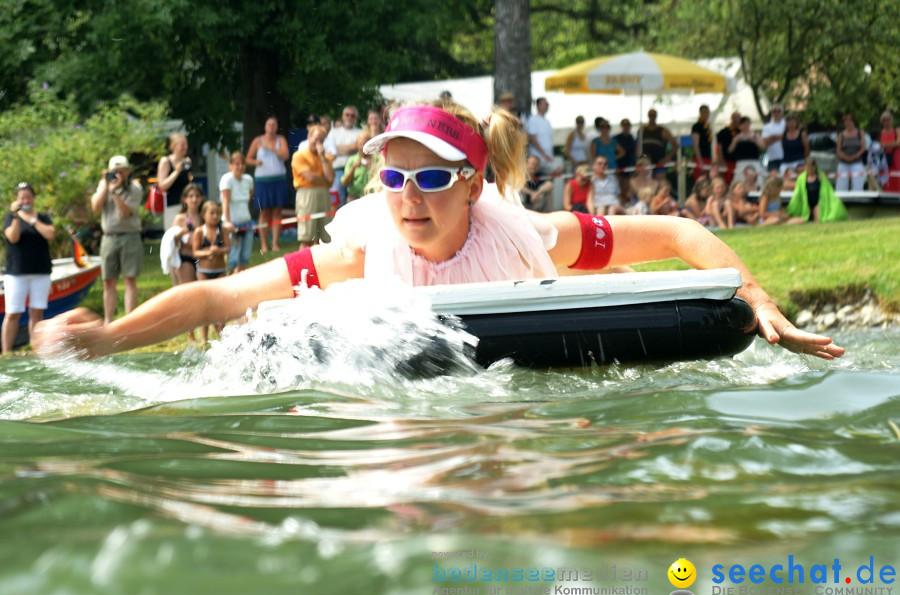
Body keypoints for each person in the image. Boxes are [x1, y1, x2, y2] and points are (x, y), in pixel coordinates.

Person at [34, 100, 843, 363]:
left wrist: (755, 294)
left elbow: (674, 230)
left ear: (473, 182)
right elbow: (217, 293)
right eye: (392, 177)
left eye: (427, 179)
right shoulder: (359, 248)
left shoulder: (531, 234)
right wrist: (106, 337)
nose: (407, 198)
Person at [2, 183, 55, 354]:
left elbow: (50, 234)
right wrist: (17, 216)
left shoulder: (43, 218)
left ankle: (37, 351)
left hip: (40, 272)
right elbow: (13, 237)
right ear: (17, 200)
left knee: (36, 313)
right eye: (22, 197)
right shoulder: (11, 218)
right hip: (17, 273)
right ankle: (6, 352)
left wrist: (31, 219)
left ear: (33, 199)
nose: (25, 200)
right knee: (12, 314)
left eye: (28, 197)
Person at [90, 155, 143, 324]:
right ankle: (108, 322)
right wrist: (107, 186)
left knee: (129, 279)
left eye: (121, 171)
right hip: (109, 238)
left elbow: (125, 213)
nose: (118, 175)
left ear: (128, 172)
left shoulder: (135, 188)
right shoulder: (104, 185)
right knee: (108, 281)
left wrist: (116, 191)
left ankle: (129, 321)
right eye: (114, 171)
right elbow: (95, 208)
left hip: (130, 236)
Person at [247, 116, 290, 253]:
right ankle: (264, 244)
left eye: (274, 124)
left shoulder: (281, 139)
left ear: (277, 127)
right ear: (265, 126)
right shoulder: (257, 141)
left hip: (278, 179)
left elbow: (285, 155)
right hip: (262, 181)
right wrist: (255, 163)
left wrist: (271, 148)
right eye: (269, 124)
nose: (271, 126)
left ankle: (275, 243)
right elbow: (247, 159)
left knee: (278, 210)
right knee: (264, 211)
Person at [192, 200, 230, 344]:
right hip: (204, 271)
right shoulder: (200, 232)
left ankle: (222, 336)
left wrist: (219, 250)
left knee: (220, 304)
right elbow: (195, 252)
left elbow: (228, 248)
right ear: (204, 215)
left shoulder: (223, 230)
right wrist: (207, 253)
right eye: (212, 213)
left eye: (217, 213)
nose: (215, 216)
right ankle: (204, 338)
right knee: (205, 305)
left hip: (219, 270)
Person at [291, 124, 334, 247]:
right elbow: (309, 177)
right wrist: (324, 179)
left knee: (324, 238)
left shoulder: (326, 158)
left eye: (321, 140)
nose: (318, 143)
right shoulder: (299, 155)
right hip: (306, 195)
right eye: (316, 139)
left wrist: (322, 158)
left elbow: (330, 177)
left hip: (324, 195)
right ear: (309, 137)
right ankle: (302, 265)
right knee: (307, 237)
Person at [219, 152, 255, 273]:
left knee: (245, 257)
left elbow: (249, 197)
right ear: (231, 165)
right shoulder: (226, 179)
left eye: (242, 163)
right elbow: (225, 201)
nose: (240, 166)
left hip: (247, 222)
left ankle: (240, 282)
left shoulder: (248, 179)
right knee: (233, 257)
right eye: (236, 164)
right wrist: (228, 222)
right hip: (233, 223)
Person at [786, 157, 848, 224]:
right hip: (806, 205)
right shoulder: (801, 178)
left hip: (818, 204)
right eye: (806, 168)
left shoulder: (821, 176)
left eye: (809, 168)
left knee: (819, 221)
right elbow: (797, 194)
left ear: (814, 167)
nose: (807, 170)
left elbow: (828, 191)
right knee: (802, 220)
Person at [325, 106, 363, 205]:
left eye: (352, 115)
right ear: (343, 116)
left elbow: (357, 147)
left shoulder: (360, 132)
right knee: (339, 201)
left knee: (354, 201)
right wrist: (350, 148)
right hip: (338, 170)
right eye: (347, 115)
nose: (349, 117)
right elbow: (329, 150)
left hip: (356, 170)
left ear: (355, 118)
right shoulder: (334, 132)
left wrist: (337, 148)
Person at [156, 133, 192, 230]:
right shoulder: (166, 161)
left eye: (186, 144)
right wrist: (177, 170)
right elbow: (162, 185)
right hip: (172, 206)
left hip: (187, 206)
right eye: (182, 144)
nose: (185, 147)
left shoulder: (187, 161)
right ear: (173, 146)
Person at [638, 109, 678, 180]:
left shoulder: (663, 130)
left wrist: (667, 158)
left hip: (659, 162)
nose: (652, 117)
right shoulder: (642, 130)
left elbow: (676, 145)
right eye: (650, 115)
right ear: (648, 116)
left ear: (656, 117)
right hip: (645, 162)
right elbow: (638, 147)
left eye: (653, 115)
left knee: (660, 184)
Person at [835, 112, 867, 192]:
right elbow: (838, 151)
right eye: (846, 121)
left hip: (857, 162)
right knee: (841, 186)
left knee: (858, 185)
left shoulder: (860, 133)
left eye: (850, 121)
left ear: (854, 122)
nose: (848, 123)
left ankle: (858, 201)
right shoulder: (841, 135)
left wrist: (855, 156)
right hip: (843, 163)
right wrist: (846, 158)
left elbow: (863, 147)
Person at [526, 97, 558, 175]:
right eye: (545, 104)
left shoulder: (547, 122)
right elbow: (532, 138)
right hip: (537, 159)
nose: (547, 106)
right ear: (539, 105)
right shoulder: (533, 119)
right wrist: (544, 154)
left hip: (547, 158)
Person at [341, 130, 374, 202]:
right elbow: (344, 183)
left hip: (371, 198)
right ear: (356, 145)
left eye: (365, 143)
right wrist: (353, 168)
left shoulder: (377, 159)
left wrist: (372, 168)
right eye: (360, 144)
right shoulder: (352, 160)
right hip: (354, 198)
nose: (363, 146)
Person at [729, 117, 765, 182]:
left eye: (747, 123)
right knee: (740, 180)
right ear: (740, 125)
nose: (745, 125)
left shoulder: (755, 135)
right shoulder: (737, 137)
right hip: (741, 162)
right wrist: (735, 141)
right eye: (743, 124)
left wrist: (754, 141)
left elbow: (763, 146)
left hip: (754, 162)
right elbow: (730, 150)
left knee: (756, 180)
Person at [716, 111, 741, 184]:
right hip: (727, 161)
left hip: (739, 162)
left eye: (738, 118)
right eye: (735, 118)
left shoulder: (741, 132)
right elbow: (719, 147)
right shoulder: (723, 132)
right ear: (732, 118)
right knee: (727, 182)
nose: (736, 120)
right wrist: (721, 160)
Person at [691, 105, 714, 182]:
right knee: (700, 181)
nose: (706, 114)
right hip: (700, 158)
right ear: (700, 113)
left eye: (707, 112)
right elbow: (695, 145)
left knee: (708, 180)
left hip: (708, 157)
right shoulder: (696, 126)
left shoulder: (708, 127)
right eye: (704, 112)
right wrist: (700, 161)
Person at [761, 104, 786, 174]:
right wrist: (781, 136)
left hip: (786, 158)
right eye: (774, 111)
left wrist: (772, 137)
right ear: (772, 113)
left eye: (778, 111)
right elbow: (764, 142)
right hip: (772, 159)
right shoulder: (767, 127)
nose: (776, 113)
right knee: (773, 182)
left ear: (782, 112)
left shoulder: (787, 125)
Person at [879, 111, 900, 193]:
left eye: (888, 119)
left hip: (896, 157)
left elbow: (898, 142)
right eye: (884, 120)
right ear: (882, 121)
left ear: (891, 119)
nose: (887, 121)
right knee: (885, 177)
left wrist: (885, 145)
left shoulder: (897, 130)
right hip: (884, 159)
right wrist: (891, 144)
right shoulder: (881, 133)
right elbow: (878, 145)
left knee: (897, 177)